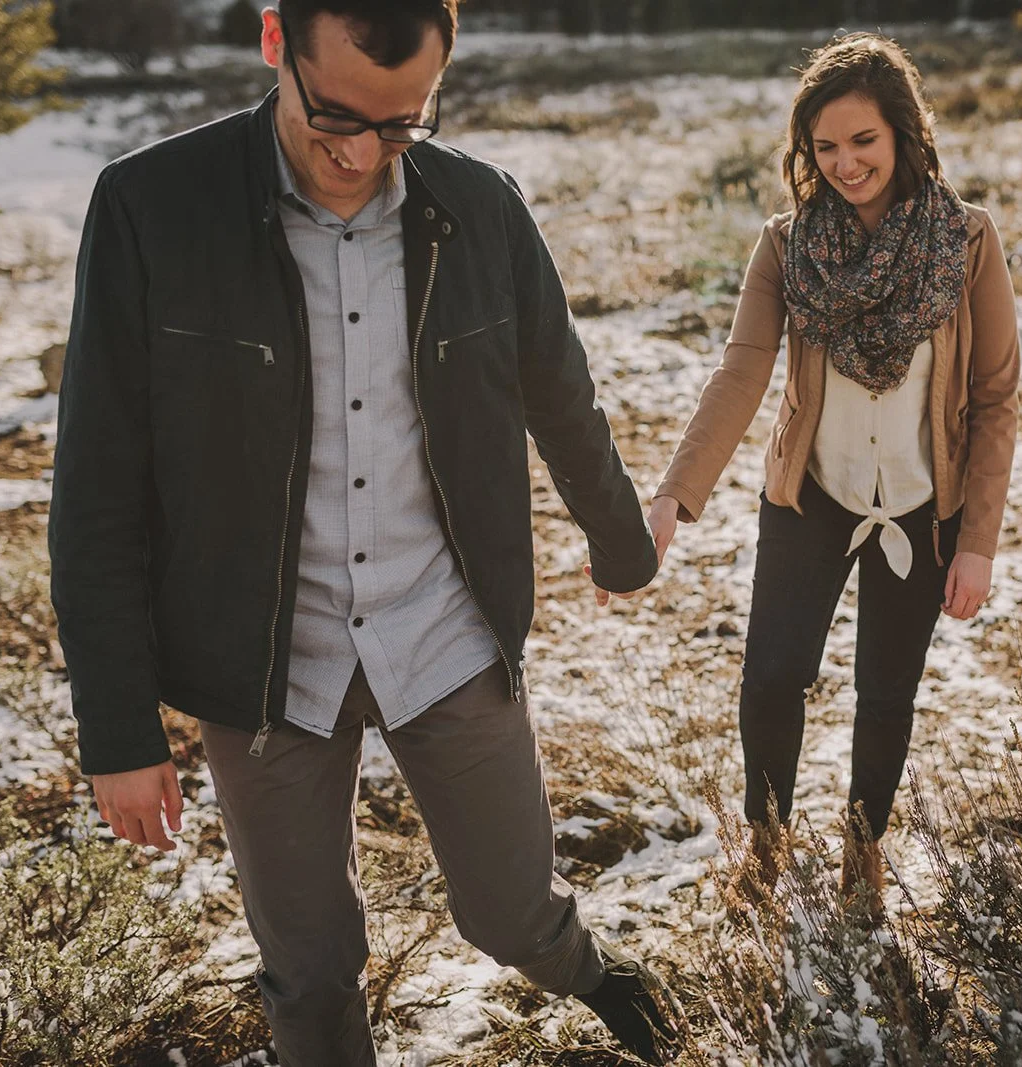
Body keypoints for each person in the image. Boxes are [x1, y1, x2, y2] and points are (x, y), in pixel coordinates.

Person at [48, 2, 683, 1062]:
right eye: (336, 115)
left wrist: (622, 543)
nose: (359, 154)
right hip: (258, 665)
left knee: (513, 913)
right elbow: (97, 481)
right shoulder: (151, 206)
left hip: (443, 629)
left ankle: (613, 984)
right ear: (273, 45)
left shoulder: (480, 207)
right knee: (308, 968)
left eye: (401, 125)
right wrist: (117, 728)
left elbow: (559, 393)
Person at [648, 32, 1021, 917]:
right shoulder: (786, 247)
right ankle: (768, 844)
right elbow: (742, 372)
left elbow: (997, 398)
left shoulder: (966, 244)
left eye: (864, 140)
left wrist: (977, 544)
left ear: (904, 134)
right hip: (810, 499)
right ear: (804, 150)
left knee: (885, 694)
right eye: (826, 146)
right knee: (773, 680)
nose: (846, 163)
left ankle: (865, 848)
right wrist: (673, 493)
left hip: (925, 511)